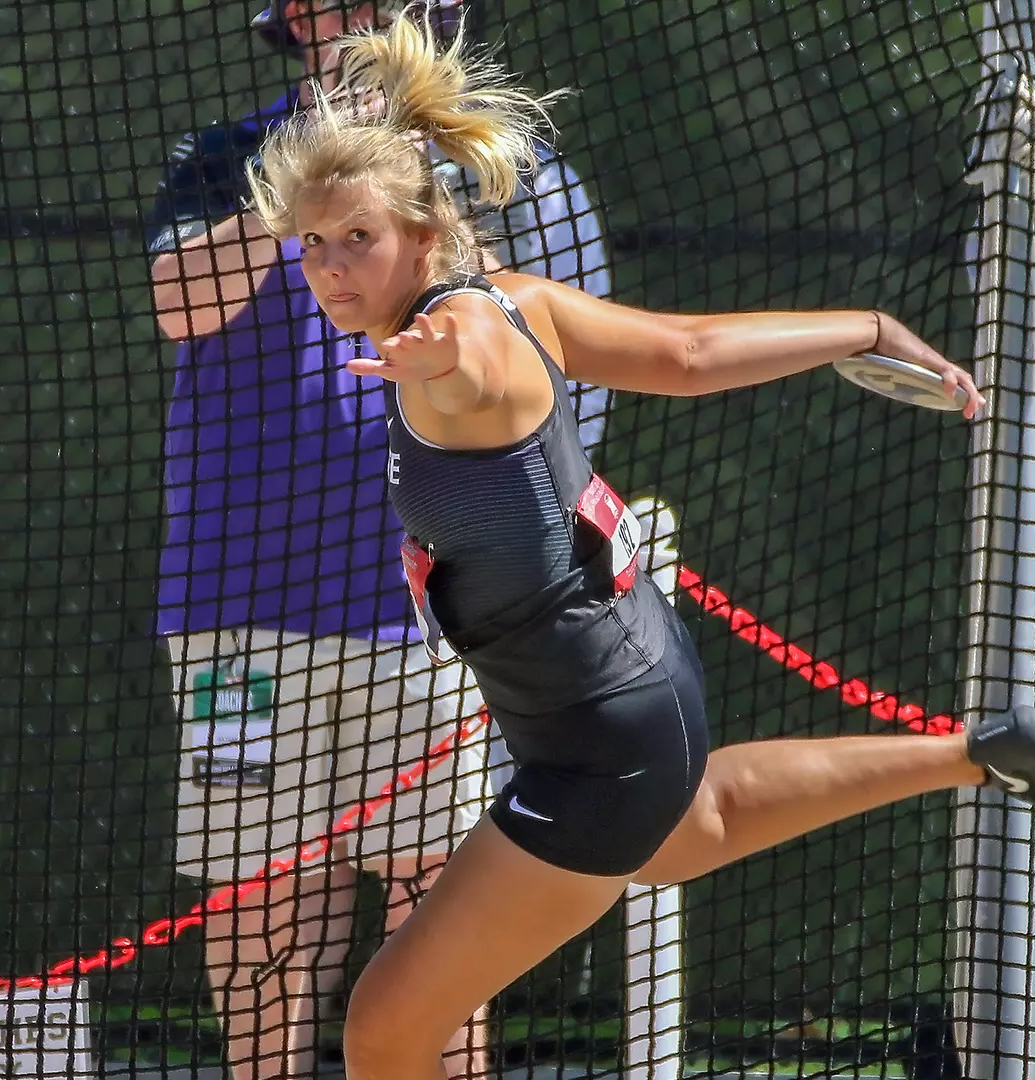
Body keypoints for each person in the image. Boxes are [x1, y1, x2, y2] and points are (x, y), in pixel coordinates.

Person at [239, 11, 1035, 1077]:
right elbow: (689, 354)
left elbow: (466, 364)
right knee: (697, 825)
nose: (329, 268)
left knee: (383, 1027)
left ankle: (976, 756)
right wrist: (866, 327)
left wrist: (435, 357)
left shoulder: (459, 337)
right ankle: (981, 753)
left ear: (426, 233)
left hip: (596, 743)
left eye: (357, 239)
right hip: (641, 687)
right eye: (313, 245)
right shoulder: (522, 300)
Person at [144, 1, 630, 1077]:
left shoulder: (491, 166)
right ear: (296, 25)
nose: (362, 21)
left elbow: (567, 348)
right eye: (337, 8)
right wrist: (310, 183)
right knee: (262, 905)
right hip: (243, 612)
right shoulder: (228, 154)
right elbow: (176, 303)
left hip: (440, 603)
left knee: (438, 906)